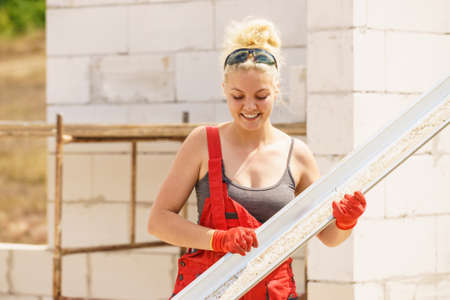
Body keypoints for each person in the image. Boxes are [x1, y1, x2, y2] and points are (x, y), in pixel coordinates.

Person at [148, 17, 367, 300]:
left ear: (276, 90)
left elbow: (329, 237)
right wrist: (218, 239)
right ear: (225, 89)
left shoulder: (297, 155)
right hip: (213, 291)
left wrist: (345, 222)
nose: (249, 106)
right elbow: (158, 221)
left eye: (261, 96)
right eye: (238, 96)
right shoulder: (203, 143)